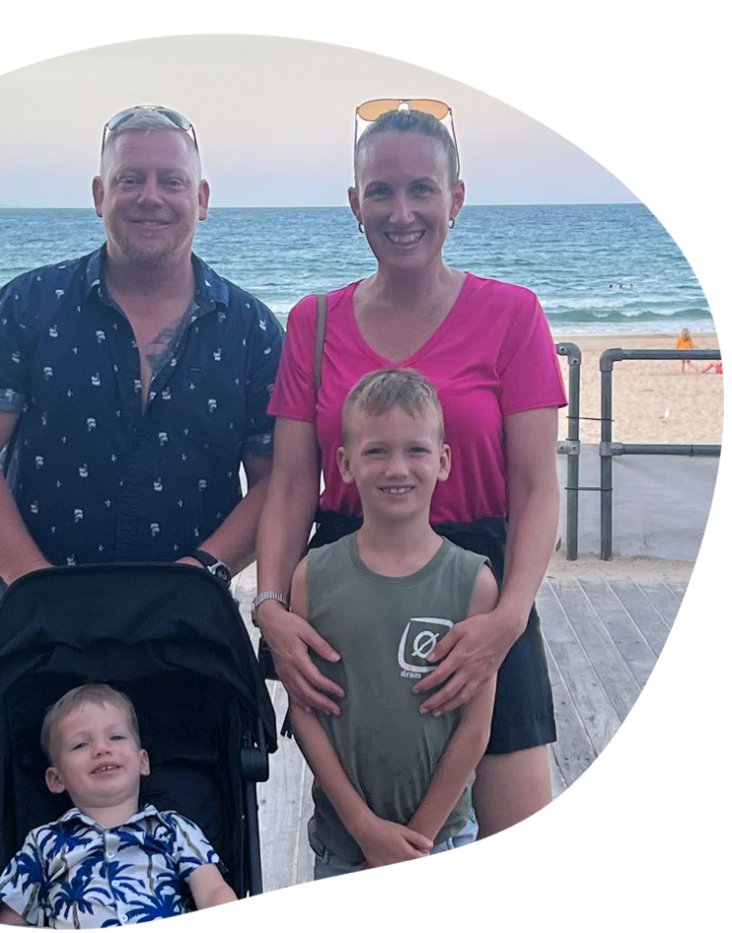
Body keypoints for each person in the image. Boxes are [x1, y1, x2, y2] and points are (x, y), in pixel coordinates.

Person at [0, 105, 283, 927]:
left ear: (203, 198)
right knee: (4, 820)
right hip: (37, 628)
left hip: (181, 638)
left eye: (171, 180)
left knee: (203, 809)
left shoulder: (252, 331)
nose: (150, 196)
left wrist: (203, 573)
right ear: (99, 192)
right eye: (131, 178)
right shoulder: (26, 308)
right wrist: (38, 590)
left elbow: (279, 483)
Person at [255, 101, 565, 845]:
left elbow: (535, 487)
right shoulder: (314, 321)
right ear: (354, 202)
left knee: (526, 844)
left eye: (422, 189)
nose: (402, 212)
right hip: (351, 585)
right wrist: (270, 606)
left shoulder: (513, 314)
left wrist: (508, 618)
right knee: (372, 849)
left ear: (455, 199)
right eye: (382, 192)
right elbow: (293, 484)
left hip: (483, 586)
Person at [288, 369, 496, 929]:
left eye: (415, 450)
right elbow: (305, 714)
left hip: (443, 847)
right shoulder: (312, 577)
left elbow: (475, 728)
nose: (397, 468)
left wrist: (417, 843)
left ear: (444, 461)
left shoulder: (473, 582)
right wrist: (364, 829)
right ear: (346, 464)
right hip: (343, 848)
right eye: (376, 450)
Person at [0, 684, 240, 929]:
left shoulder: (173, 829)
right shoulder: (43, 843)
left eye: (117, 737)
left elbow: (212, 891)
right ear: (57, 779)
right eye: (81, 744)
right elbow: (12, 918)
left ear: (143, 762)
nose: (102, 749)